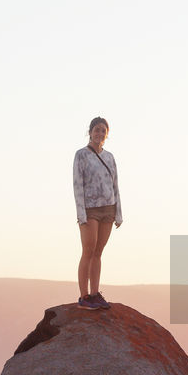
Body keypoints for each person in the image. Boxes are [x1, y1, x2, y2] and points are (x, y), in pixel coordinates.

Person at [73, 116, 122, 310]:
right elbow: (77, 185)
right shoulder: (81, 155)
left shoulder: (110, 157)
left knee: (98, 252)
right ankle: (84, 295)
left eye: (103, 130)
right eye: (97, 130)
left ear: (106, 134)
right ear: (90, 131)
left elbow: (115, 185)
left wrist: (119, 212)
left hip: (108, 208)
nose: (99, 133)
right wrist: (81, 214)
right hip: (90, 208)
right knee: (88, 250)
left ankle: (95, 293)